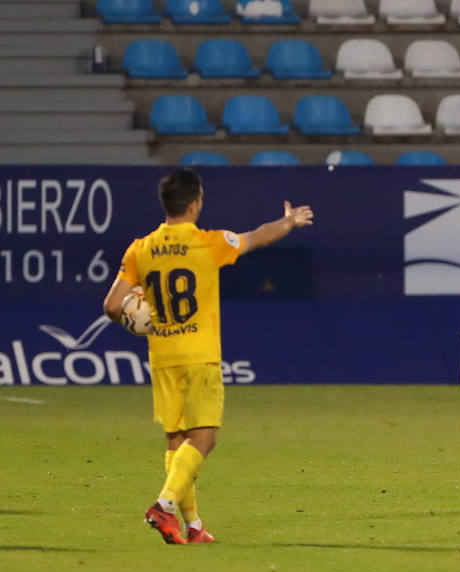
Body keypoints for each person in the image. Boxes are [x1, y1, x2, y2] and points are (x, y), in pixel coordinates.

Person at [102, 168, 315, 544]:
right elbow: (258, 237)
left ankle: (193, 526)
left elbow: (112, 305)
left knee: (176, 439)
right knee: (203, 439)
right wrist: (289, 221)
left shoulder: (141, 248)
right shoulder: (208, 243)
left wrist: (139, 319)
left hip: (163, 356)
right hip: (199, 355)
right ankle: (164, 506)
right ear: (196, 203)